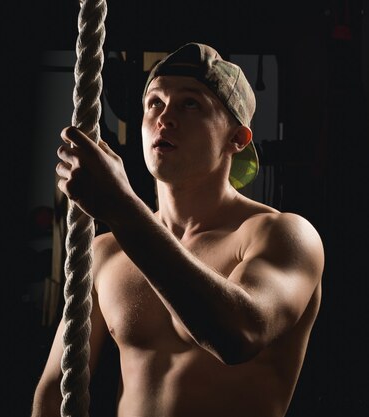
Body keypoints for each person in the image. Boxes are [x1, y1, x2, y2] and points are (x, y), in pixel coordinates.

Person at [30, 42, 324, 417]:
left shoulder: (282, 235)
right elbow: (54, 391)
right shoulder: (107, 251)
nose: (164, 118)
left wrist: (123, 208)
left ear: (238, 138)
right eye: (154, 103)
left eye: (190, 104)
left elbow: (239, 336)